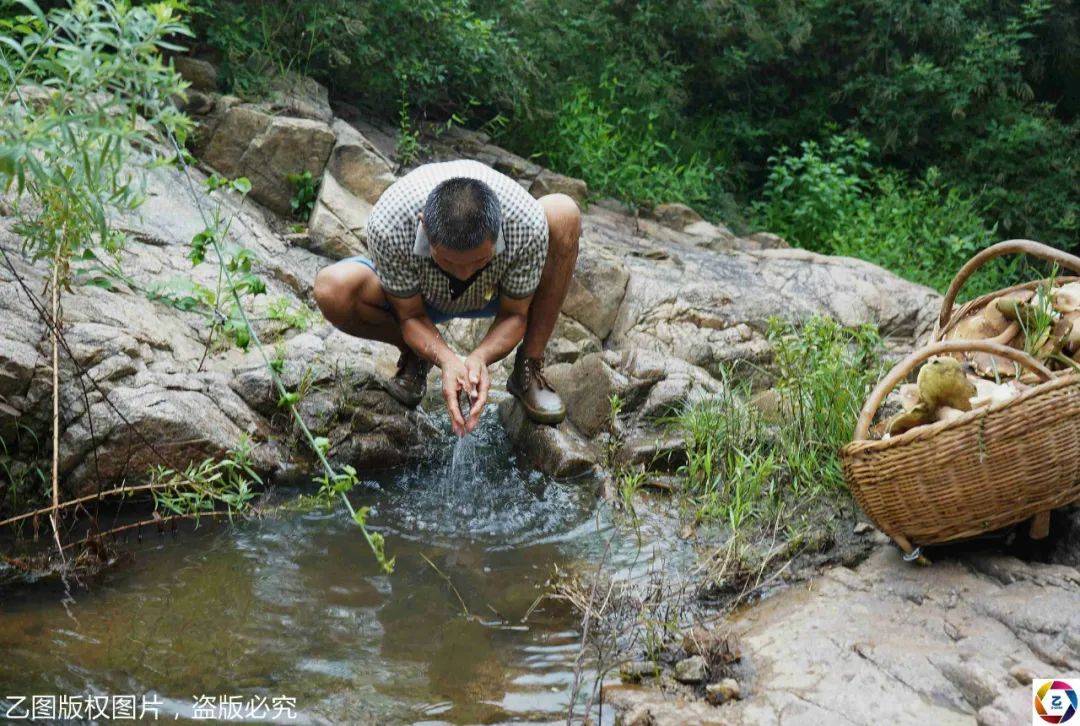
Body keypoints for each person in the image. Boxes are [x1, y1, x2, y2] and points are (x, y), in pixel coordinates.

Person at [313, 159, 581, 437]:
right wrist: (446, 359)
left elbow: (514, 315)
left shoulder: (524, 223)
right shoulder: (389, 224)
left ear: (499, 229)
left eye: (479, 260)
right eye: (449, 261)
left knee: (563, 213)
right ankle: (417, 356)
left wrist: (480, 357)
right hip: (419, 299)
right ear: (424, 228)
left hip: (495, 293)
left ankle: (529, 369)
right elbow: (410, 315)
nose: (464, 274)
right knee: (332, 289)